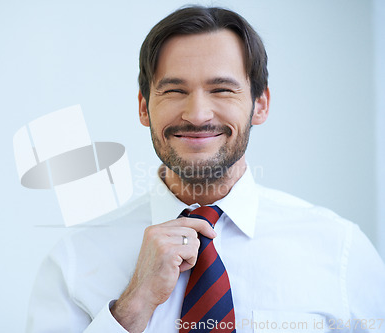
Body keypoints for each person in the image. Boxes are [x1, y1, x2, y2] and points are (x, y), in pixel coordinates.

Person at [26, 6, 385, 333]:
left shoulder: (340, 251)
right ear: (143, 108)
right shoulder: (73, 262)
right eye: (174, 91)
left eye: (222, 90)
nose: (197, 114)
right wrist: (132, 308)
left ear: (260, 104)